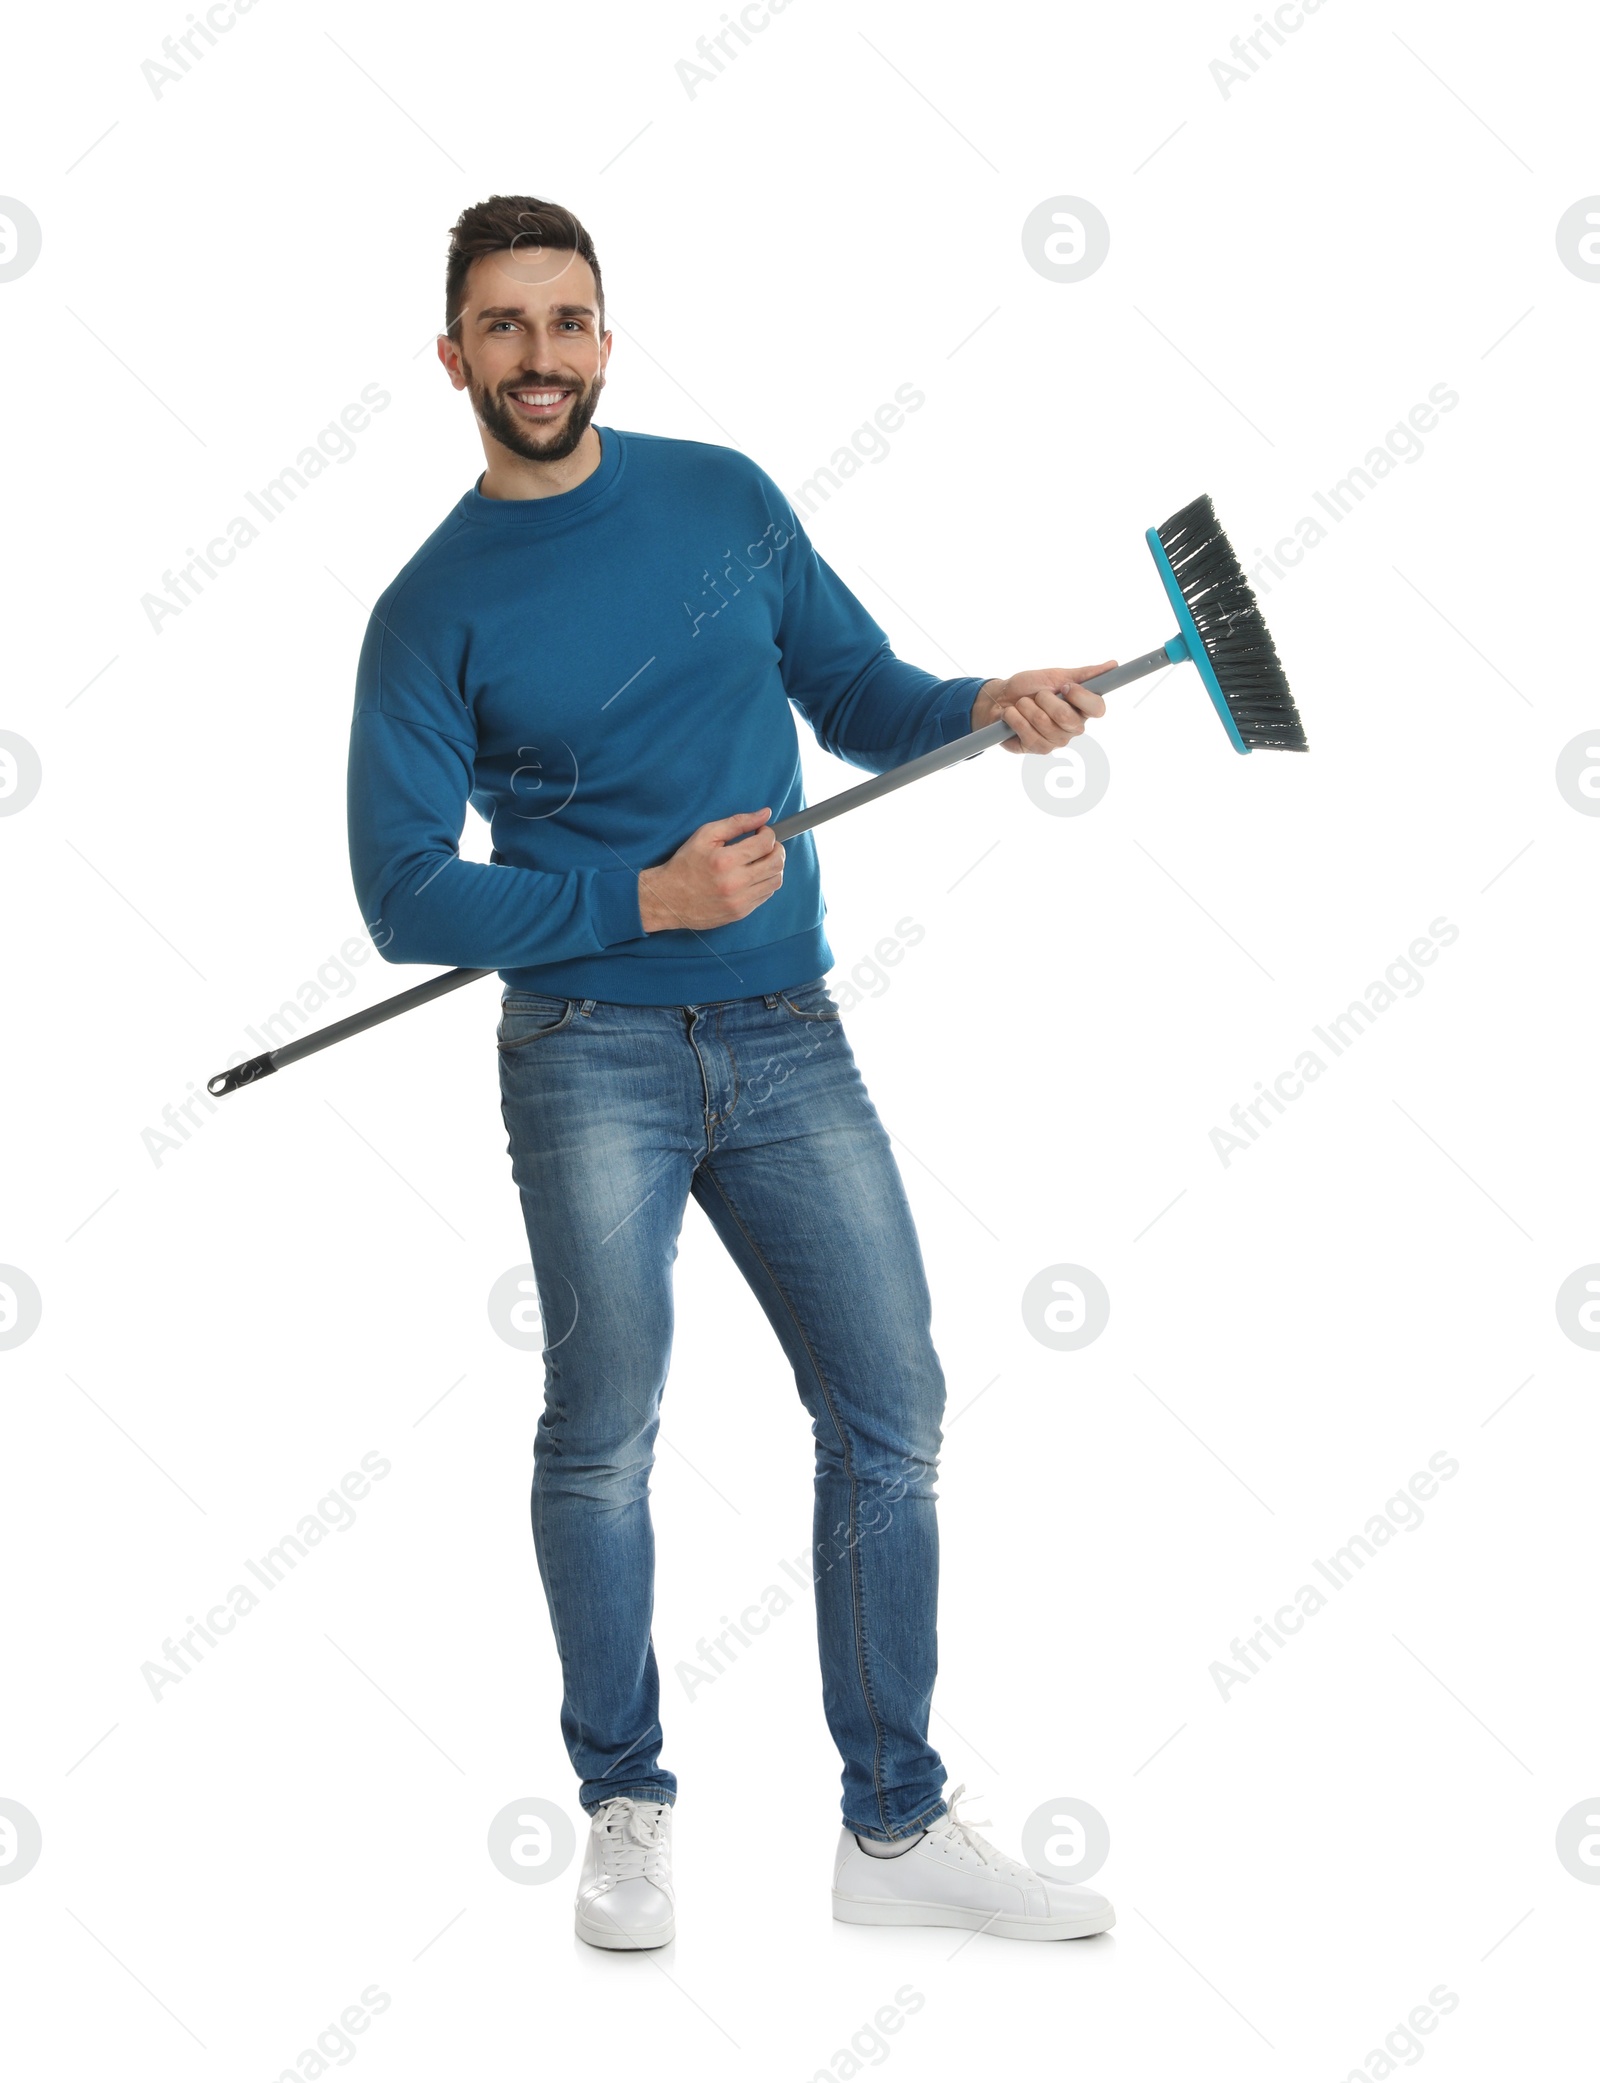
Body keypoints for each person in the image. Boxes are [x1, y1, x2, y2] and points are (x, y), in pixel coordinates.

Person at [347, 194, 1116, 1950]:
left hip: (786, 1036)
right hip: (584, 1054)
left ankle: (897, 1833)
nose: (543, 356)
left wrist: (989, 698)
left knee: (893, 1410)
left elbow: (857, 693)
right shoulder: (427, 611)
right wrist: (642, 896)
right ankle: (625, 1801)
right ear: (454, 356)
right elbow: (402, 891)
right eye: (507, 327)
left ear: (606, 338)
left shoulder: (726, 501)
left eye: (571, 321)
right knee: (604, 1437)